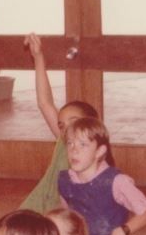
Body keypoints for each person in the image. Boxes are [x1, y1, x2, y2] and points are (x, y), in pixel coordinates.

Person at [56, 116, 146, 235]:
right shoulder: (65, 180)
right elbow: (68, 217)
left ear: (100, 151)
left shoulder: (116, 181)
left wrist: (120, 232)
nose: (74, 150)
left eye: (83, 144)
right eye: (70, 143)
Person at [20, 33, 100, 213]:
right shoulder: (65, 142)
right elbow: (45, 103)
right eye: (62, 125)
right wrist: (38, 57)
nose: (67, 129)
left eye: (74, 122)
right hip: (40, 206)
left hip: (64, 216)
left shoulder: (96, 158)